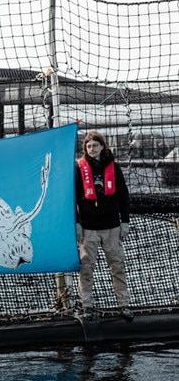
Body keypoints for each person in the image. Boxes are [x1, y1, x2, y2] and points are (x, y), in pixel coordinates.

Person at [75, 130, 133, 322]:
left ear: (102, 146)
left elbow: (123, 196)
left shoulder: (113, 167)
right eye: (88, 146)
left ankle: (124, 304)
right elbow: (72, 197)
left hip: (112, 226)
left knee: (117, 266)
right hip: (89, 227)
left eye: (95, 145)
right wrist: (77, 222)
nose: (92, 149)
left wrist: (125, 221)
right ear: (85, 149)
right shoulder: (79, 169)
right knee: (86, 267)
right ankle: (87, 306)